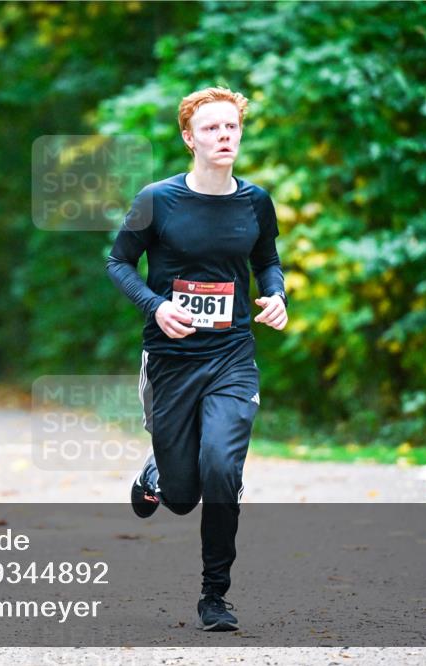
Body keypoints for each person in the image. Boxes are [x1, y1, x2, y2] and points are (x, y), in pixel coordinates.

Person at [106, 87, 288, 631]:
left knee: (222, 469)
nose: (223, 136)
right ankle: (160, 468)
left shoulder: (255, 201)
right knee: (183, 498)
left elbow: (268, 261)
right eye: (210, 129)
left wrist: (277, 295)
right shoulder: (157, 200)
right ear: (189, 138)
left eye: (231, 127)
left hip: (232, 355)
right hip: (170, 359)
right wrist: (156, 305)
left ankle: (215, 596)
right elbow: (118, 264)